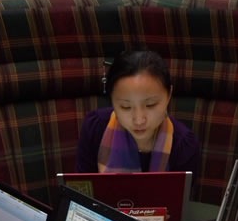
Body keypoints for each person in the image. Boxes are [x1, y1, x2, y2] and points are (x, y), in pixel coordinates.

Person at [75, 50, 200, 183]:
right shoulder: (95, 128)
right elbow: (81, 191)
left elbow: (179, 199)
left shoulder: (184, 145)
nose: (139, 120)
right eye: (125, 107)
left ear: (169, 95)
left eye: (151, 105)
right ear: (112, 100)